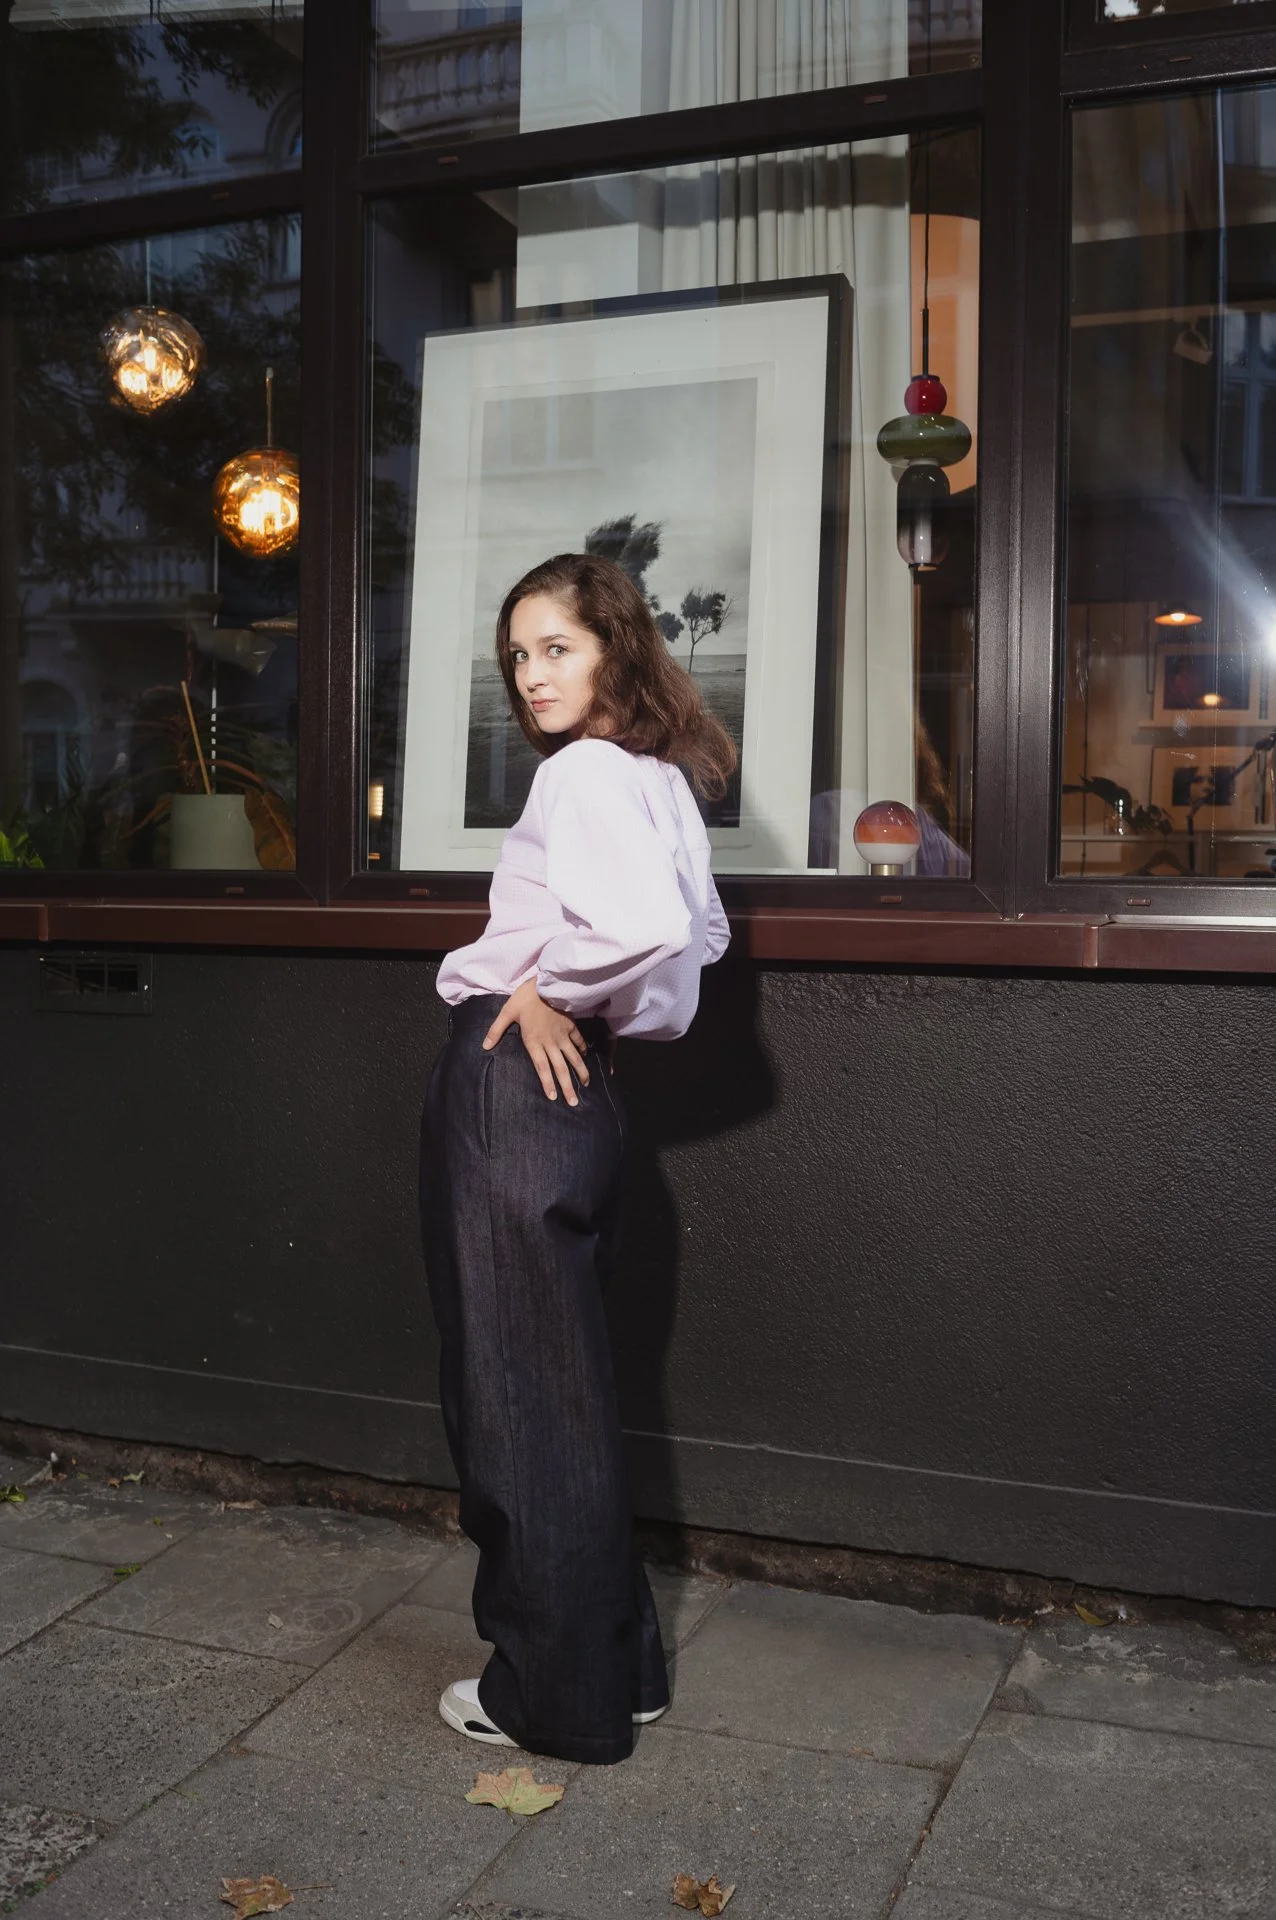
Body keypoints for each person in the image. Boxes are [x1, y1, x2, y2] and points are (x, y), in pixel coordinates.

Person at [419, 551, 736, 1767]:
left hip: (511, 1087)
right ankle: (620, 1670)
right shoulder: (658, 779)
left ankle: (551, 1699)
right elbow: (691, 945)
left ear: (614, 645)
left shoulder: (588, 772)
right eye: (517, 654)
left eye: (556, 646)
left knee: (511, 1399)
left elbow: (651, 930)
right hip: (586, 1092)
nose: (532, 673)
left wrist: (544, 983)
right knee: (568, 1392)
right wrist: (590, 1001)